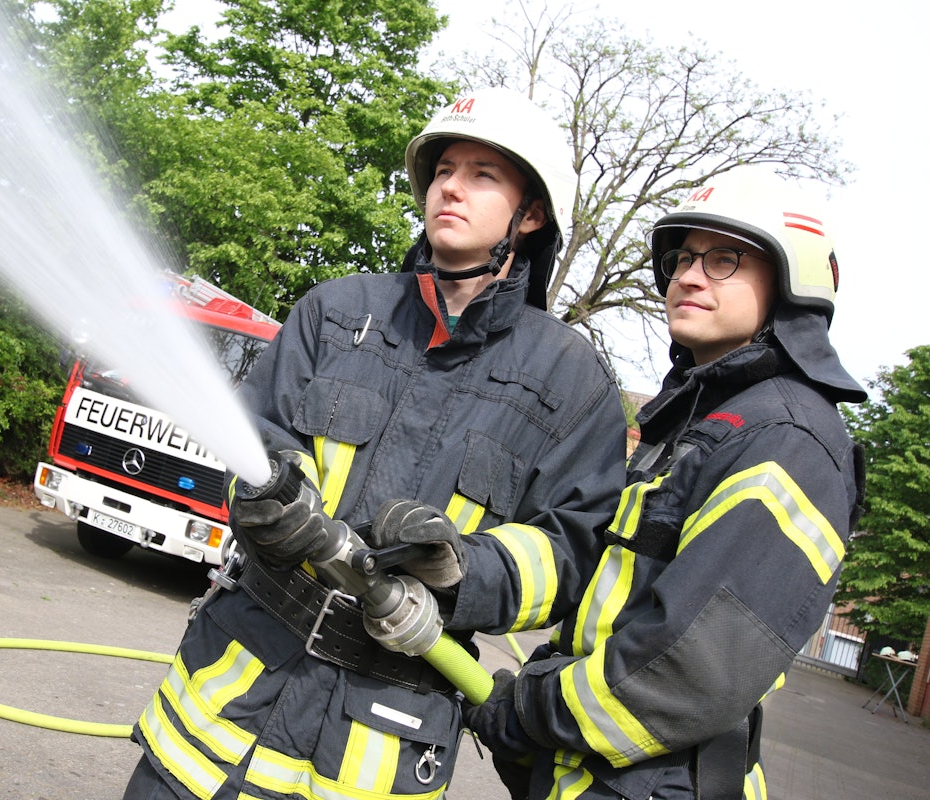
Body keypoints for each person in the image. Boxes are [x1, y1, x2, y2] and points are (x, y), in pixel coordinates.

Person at [123, 87, 628, 800]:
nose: (450, 185)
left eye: (483, 175)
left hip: (375, 744)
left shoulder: (570, 384)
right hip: (219, 717)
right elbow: (258, 437)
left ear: (532, 213)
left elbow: (570, 550)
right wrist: (279, 491)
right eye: (445, 168)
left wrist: (461, 567)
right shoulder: (335, 312)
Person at [464, 167, 868, 800]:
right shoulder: (704, 425)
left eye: (725, 259)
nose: (688, 274)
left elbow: (694, 668)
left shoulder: (788, 440)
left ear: (792, 285)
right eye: (683, 257)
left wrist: (532, 710)